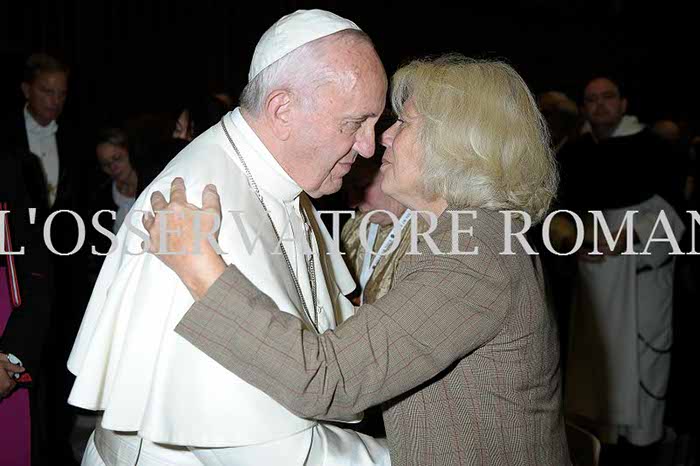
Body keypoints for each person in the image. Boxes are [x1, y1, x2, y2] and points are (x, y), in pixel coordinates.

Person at [145, 55, 571, 465]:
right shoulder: (469, 236)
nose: (383, 137)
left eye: (403, 123)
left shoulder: (473, 253)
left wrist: (196, 264)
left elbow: (330, 381)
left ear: (455, 144)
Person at [68, 9, 389, 466]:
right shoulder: (199, 204)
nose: (368, 147)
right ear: (282, 111)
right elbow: (263, 451)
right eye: (354, 123)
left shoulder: (282, 183)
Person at [560, 76, 684, 463]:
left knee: (641, 366)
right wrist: (572, 238)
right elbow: (559, 211)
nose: (599, 105)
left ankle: (643, 448)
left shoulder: (653, 148)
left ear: (624, 103)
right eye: (591, 99)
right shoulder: (576, 153)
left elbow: (674, 209)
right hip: (594, 279)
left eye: (607, 97)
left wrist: (627, 234)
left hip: (641, 277)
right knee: (599, 370)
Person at [0, 52, 87, 465]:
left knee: (59, 361)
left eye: (62, 93)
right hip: (15, 269)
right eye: (47, 91)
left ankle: (54, 444)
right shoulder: (5, 140)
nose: (55, 101)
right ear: (26, 90)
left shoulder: (76, 138)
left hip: (64, 267)